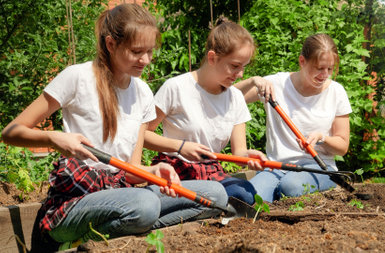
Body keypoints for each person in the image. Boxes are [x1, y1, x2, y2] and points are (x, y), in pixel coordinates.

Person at [1, 4, 227, 250]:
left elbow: (131, 171)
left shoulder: (142, 92)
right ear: (111, 44)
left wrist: (153, 170)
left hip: (122, 194)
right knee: (144, 205)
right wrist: (53, 138)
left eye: (150, 52)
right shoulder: (77, 77)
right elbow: (11, 132)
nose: (146, 60)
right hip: (74, 203)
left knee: (215, 195)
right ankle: (73, 245)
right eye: (137, 51)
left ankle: (133, 229)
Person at [144, 17, 267, 205]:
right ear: (212, 58)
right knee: (215, 196)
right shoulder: (176, 87)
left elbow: (238, 152)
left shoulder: (235, 97)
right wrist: (180, 147)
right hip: (175, 171)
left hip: (210, 172)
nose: (240, 74)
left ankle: (199, 204)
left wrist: (248, 156)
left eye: (244, 67)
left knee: (245, 195)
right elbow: (143, 135)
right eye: (234, 66)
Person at [235, 33, 352, 202]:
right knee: (251, 197)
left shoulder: (336, 92)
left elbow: (342, 146)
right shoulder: (276, 85)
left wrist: (322, 138)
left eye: (330, 69)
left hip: (318, 167)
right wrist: (253, 81)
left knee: (291, 186)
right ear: (302, 61)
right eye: (319, 68)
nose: (325, 74)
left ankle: (283, 191)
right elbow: (229, 98)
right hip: (276, 166)